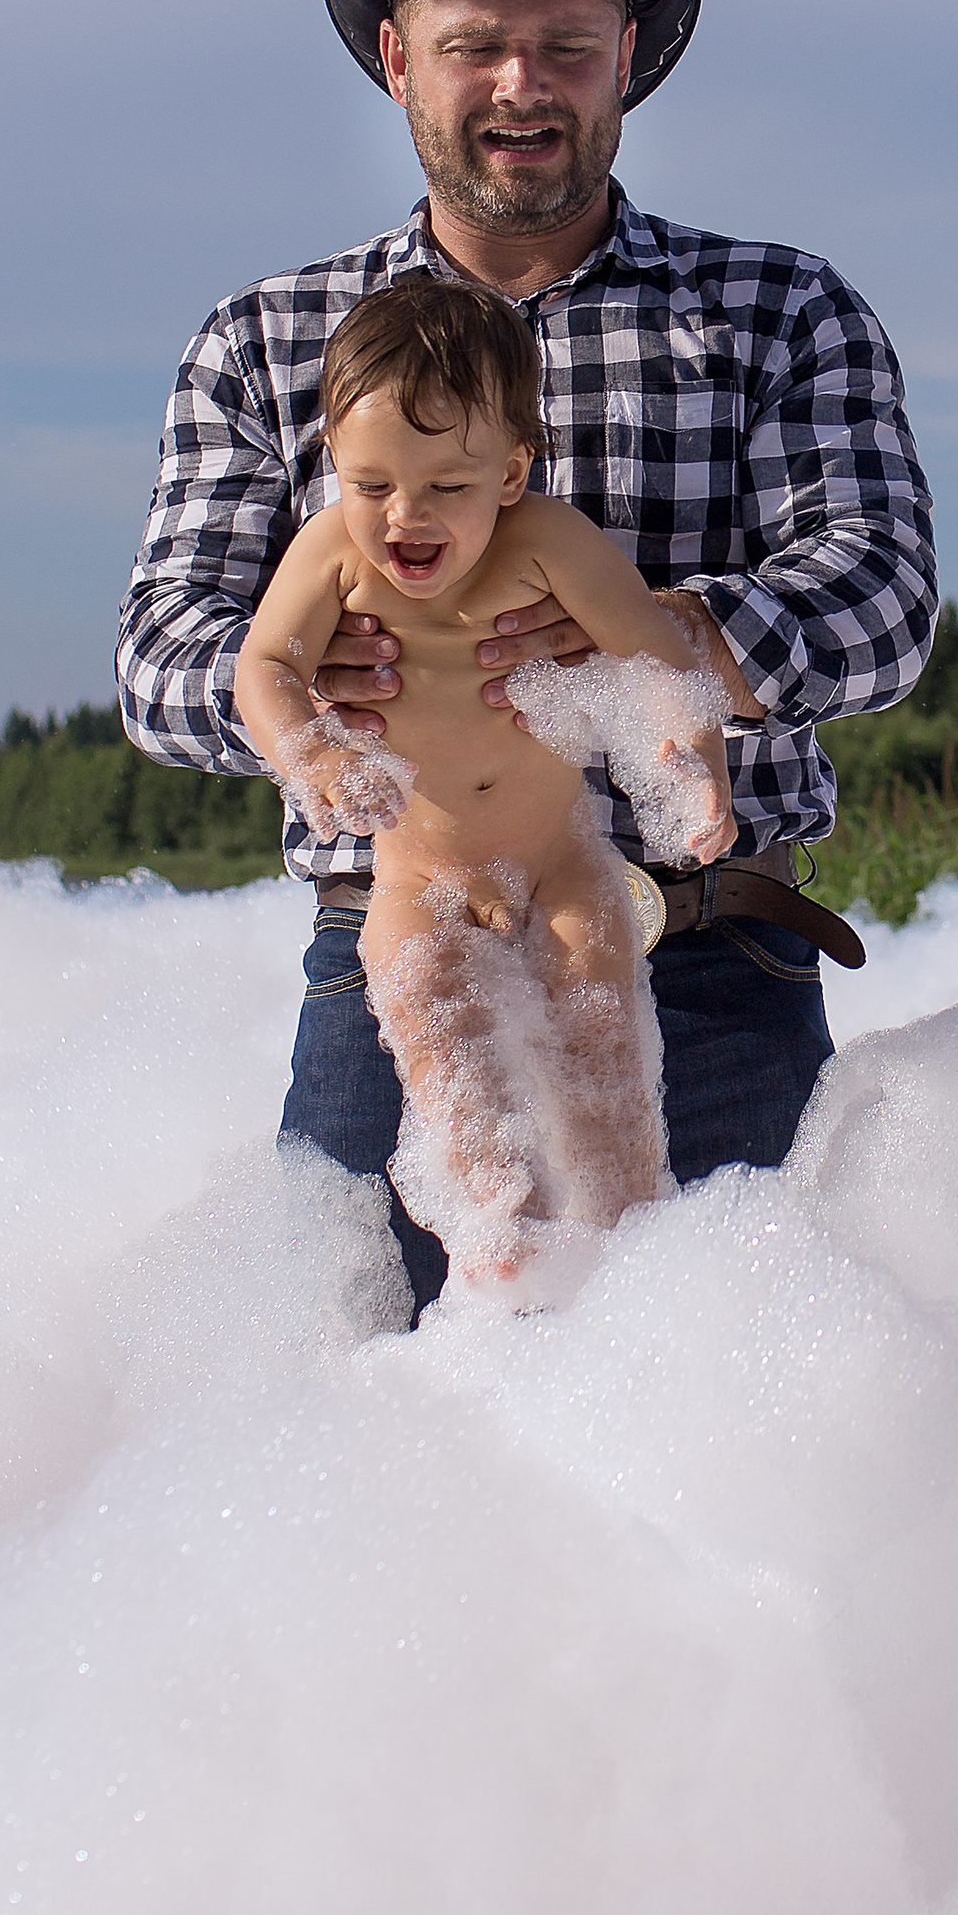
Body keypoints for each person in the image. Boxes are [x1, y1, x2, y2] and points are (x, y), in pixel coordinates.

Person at [117, 0, 937, 1311]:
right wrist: (308, 691)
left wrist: (663, 642)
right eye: (475, 45)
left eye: (566, 44)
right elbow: (162, 658)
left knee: (736, 1446)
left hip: (716, 961)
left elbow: (884, 600)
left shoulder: (783, 311)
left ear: (627, 58)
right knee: (366, 1413)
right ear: (395, 59)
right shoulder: (262, 339)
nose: (521, 84)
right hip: (392, 953)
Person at [235, 274, 732, 1298]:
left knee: (600, 1041)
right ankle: (497, 1223)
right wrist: (313, 753)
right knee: (439, 1034)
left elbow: (657, 660)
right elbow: (264, 667)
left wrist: (693, 770)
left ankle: (623, 1230)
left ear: (510, 471)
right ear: (336, 459)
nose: (404, 516)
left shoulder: (550, 543)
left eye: (446, 486)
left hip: (557, 865)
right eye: (371, 484)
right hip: (419, 877)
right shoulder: (331, 554)